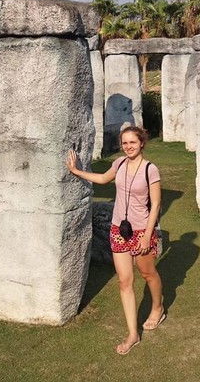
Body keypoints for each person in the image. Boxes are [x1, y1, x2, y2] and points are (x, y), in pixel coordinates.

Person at [66, 126, 165, 355]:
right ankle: (132, 333)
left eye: (132, 142)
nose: (128, 146)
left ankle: (158, 307)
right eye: (125, 143)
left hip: (142, 231)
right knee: (124, 281)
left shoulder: (150, 170)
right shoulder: (119, 164)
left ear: (142, 143)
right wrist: (77, 171)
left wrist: (148, 235)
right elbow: (102, 179)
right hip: (118, 229)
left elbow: (156, 205)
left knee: (148, 274)